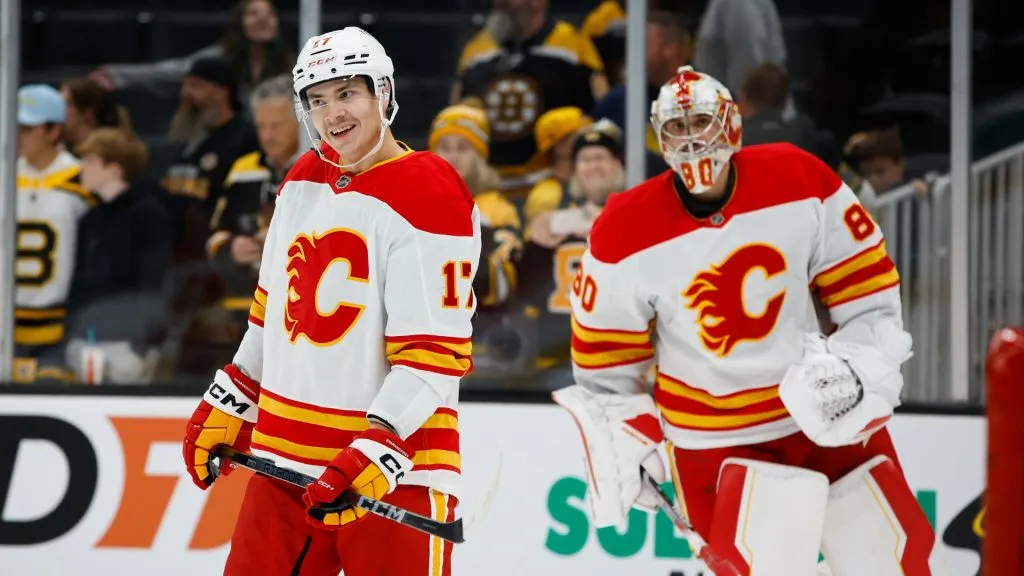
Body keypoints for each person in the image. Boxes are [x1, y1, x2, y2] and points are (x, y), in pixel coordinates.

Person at [552, 66, 947, 575]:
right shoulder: (623, 231)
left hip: (821, 415)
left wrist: (855, 369)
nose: (692, 139)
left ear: (732, 124)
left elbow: (867, 293)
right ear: (659, 137)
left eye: (701, 121)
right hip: (714, 440)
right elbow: (606, 361)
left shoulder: (800, 178)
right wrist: (628, 437)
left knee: (888, 561)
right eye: (677, 127)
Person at [181, 27, 480, 576]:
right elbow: (272, 316)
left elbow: (433, 354)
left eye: (347, 93)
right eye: (317, 101)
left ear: (383, 93)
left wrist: (381, 443)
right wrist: (230, 396)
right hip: (282, 461)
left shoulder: (432, 192)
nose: (332, 114)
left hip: (394, 476)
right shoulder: (301, 180)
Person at [14, 84, 94, 383]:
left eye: (28, 128)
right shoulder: (5, 174)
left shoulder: (81, 180)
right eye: (16, 127)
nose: (18, 136)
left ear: (53, 131)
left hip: (59, 327)